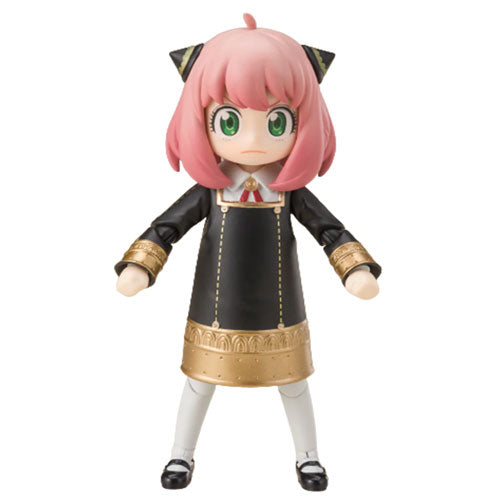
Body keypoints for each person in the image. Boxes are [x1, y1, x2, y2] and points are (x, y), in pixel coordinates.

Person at [115, 13, 381, 492]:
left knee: (293, 383)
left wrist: (353, 267)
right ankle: (180, 455)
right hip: (213, 309)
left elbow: (328, 229)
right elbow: (167, 226)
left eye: (277, 121)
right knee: (200, 381)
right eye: (230, 121)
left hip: (282, 310)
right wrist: (142, 262)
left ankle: (308, 457)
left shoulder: (289, 192)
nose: (254, 141)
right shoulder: (211, 191)